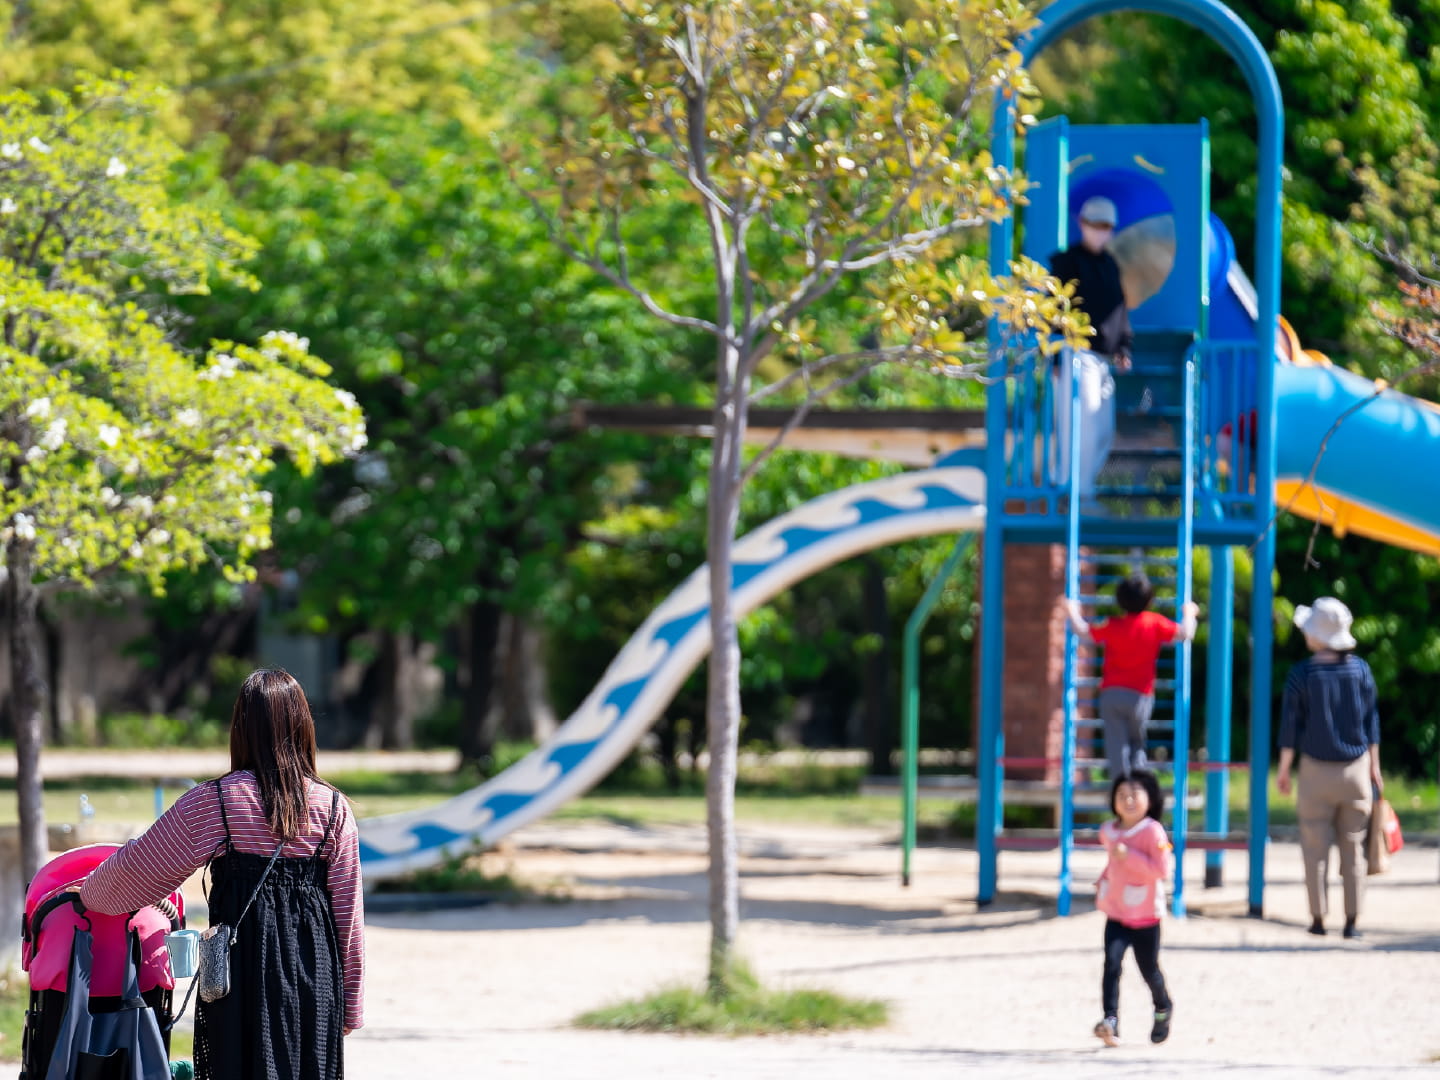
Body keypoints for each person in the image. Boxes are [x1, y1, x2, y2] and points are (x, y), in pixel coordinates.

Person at [80, 669, 364, 1080]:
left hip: (237, 982)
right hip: (315, 983)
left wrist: (86, 890)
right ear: (304, 727)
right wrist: (350, 1003)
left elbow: (127, 880)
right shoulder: (334, 810)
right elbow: (348, 920)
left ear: (240, 728)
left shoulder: (215, 802)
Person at [1277, 597, 1382, 939]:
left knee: (1314, 847)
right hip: (1355, 770)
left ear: (1316, 636)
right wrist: (1374, 768)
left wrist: (1283, 769)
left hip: (1315, 770)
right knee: (1354, 849)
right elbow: (1371, 724)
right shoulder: (1361, 670)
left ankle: (1318, 919)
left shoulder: (1302, 674)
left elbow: (1290, 728)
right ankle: (1352, 921)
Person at [1065, 572, 1199, 779]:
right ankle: (1138, 788)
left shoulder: (1112, 625)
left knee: (1116, 743)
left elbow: (1082, 631)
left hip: (1112, 693)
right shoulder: (1154, 623)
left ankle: (1120, 788)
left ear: (1119, 600)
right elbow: (1185, 633)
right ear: (1150, 599)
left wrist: (1072, 610)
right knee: (1137, 742)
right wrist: (1189, 613)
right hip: (1141, 695)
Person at [1050, 195, 1134, 506]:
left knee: (1101, 432)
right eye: (1095, 224)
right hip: (1075, 355)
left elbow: (1119, 311)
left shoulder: (1111, 266)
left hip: (1102, 361)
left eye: (1106, 226)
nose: (1100, 231)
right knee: (1079, 428)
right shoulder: (1066, 262)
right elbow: (1053, 310)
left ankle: (1081, 490)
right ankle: (1073, 494)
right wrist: (1057, 355)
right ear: (1081, 224)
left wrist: (1124, 346)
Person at [1093, 769, 1173, 1048]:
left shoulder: (1153, 831)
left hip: (1146, 916)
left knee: (1149, 970)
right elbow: (1115, 864)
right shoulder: (1109, 831)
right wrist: (1104, 879)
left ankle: (1163, 1008)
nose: (1127, 800)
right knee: (1111, 965)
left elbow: (1162, 869)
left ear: (1149, 799)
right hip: (1116, 913)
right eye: (1121, 795)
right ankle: (1110, 1020)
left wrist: (1131, 855)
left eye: (1133, 795)